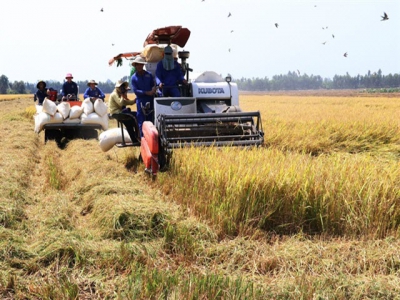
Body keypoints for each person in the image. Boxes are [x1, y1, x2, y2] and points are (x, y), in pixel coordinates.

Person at [130, 56, 157, 136]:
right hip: (140, 100)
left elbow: (153, 85)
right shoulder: (134, 78)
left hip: (150, 99)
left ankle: (151, 138)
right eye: (137, 65)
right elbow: (135, 91)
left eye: (141, 65)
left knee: (150, 119)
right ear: (135, 66)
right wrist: (146, 92)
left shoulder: (148, 75)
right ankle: (142, 139)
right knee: (141, 120)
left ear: (143, 65)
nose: (139, 66)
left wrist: (153, 90)